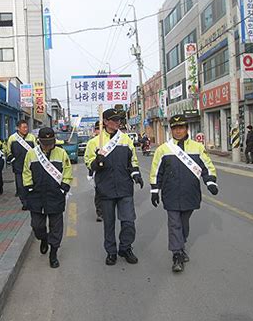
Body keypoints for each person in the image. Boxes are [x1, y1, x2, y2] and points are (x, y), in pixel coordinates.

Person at [150, 114, 218, 273]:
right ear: (171, 130)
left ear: (186, 128)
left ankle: (181, 244)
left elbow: (207, 167)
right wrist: (154, 190)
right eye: (175, 128)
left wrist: (210, 182)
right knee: (174, 223)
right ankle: (177, 254)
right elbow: (156, 172)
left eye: (181, 127)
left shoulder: (197, 147)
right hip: (171, 193)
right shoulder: (163, 149)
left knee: (184, 223)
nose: (178, 131)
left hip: (190, 193)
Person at [85, 108, 144, 266]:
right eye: (114, 119)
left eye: (119, 120)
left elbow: (133, 162)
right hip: (105, 189)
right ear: (105, 122)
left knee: (128, 221)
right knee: (109, 223)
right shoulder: (94, 143)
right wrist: (97, 161)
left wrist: (136, 174)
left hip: (125, 188)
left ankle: (125, 248)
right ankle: (111, 252)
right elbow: (88, 163)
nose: (118, 122)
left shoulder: (126, 140)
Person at [23, 127, 73, 268]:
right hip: (36, 195)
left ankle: (53, 253)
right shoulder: (32, 154)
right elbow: (26, 171)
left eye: (50, 142)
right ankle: (43, 238)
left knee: (56, 227)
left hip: (55, 195)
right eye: (44, 142)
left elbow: (67, 171)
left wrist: (64, 186)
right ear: (39, 141)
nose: (47, 145)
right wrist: (29, 187)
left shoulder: (61, 153)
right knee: (37, 225)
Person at [6, 120, 36, 210]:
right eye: (23, 127)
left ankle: (31, 201)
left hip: (30, 167)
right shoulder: (12, 138)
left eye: (26, 127)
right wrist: (13, 160)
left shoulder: (31, 137)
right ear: (18, 128)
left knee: (30, 185)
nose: (26, 129)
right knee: (20, 186)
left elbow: (36, 150)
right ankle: (24, 203)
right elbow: (8, 151)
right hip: (18, 167)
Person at [85, 121, 103, 222]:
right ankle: (100, 213)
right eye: (98, 129)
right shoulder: (92, 142)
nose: (99, 131)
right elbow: (87, 159)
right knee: (99, 193)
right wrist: (93, 167)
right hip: (97, 172)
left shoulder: (110, 140)